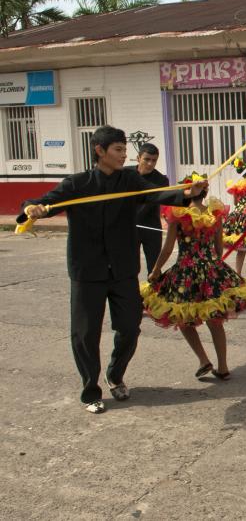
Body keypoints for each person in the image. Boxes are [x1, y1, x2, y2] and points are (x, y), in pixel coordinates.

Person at [18, 125, 207, 413]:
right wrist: (33, 207)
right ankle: (90, 390)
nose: (124, 155)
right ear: (100, 151)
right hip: (87, 272)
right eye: (118, 150)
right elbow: (46, 201)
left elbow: (156, 194)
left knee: (130, 328)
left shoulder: (130, 179)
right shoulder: (77, 184)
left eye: (124, 150)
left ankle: (115, 374)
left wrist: (186, 194)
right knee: (85, 334)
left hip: (122, 270)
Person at [142, 174, 246, 381]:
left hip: (185, 271)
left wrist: (156, 269)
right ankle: (223, 367)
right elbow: (217, 247)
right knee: (215, 319)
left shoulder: (178, 214)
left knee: (183, 318)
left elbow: (168, 248)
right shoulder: (214, 213)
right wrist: (211, 259)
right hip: (212, 268)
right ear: (204, 192)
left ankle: (203, 360)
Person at [129, 143, 169, 276]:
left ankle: (155, 294)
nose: (150, 164)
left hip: (150, 226)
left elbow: (160, 202)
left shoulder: (161, 180)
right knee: (130, 265)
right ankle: (131, 295)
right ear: (138, 158)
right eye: (147, 159)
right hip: (128, 227)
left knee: (154, 266)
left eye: (154, 160)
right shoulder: (125, 174)